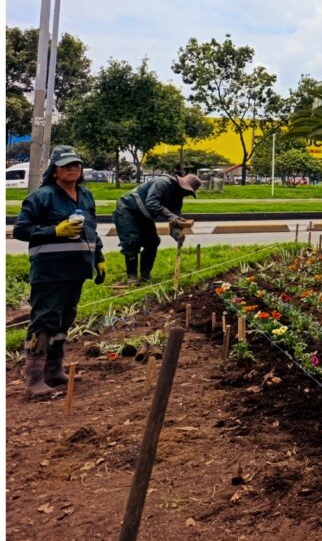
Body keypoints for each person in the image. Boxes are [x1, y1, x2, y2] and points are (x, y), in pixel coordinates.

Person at [10, 145, 106, 401]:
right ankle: (34, 379)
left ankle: (54, 370)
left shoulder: (85, 195)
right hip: (51, 271)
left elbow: (92, 231)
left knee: (65, 319)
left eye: (76, 165)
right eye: (67, 166)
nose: (73, 169)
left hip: (77, 269)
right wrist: (55, 231)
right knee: (45, 320)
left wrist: (99, 257)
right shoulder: (42, 197)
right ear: (55, 171)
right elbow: (21, 230)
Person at [110, 168, 202, 283]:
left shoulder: (178, 199)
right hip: (128, 209)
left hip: (145, 215)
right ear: (181, 184)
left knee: (152, 242)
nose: (186, 194)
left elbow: (175, 217)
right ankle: (132, 276)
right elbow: (151, 203)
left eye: (188, 193)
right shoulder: (163, 182)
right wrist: (171, 216)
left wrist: (176, 233)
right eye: (186, 191)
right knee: (132, 241)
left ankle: (145, 275)